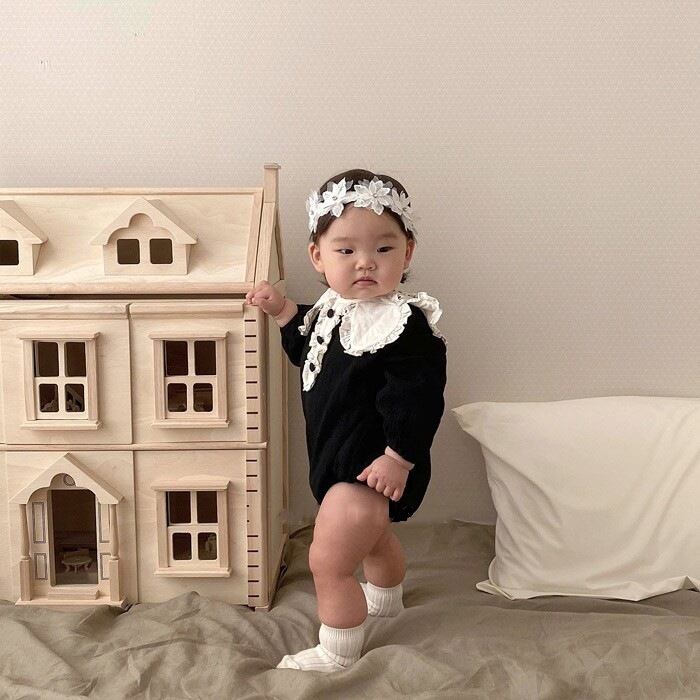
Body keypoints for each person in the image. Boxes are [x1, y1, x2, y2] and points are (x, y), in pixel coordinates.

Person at [245, 168, 447, 672]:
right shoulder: (331, 310)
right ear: (318, 256)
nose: (365, 262)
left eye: (384, 248)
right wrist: (283, 312)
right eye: (346, 250)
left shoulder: (405, 326)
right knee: (374, 538)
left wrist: (399, 457)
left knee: (328, 559)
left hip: (375, 463)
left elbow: (418, 398)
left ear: (407, 253)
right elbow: (308, 352)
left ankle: (337, 651)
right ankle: (387, 600)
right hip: (337, 457)